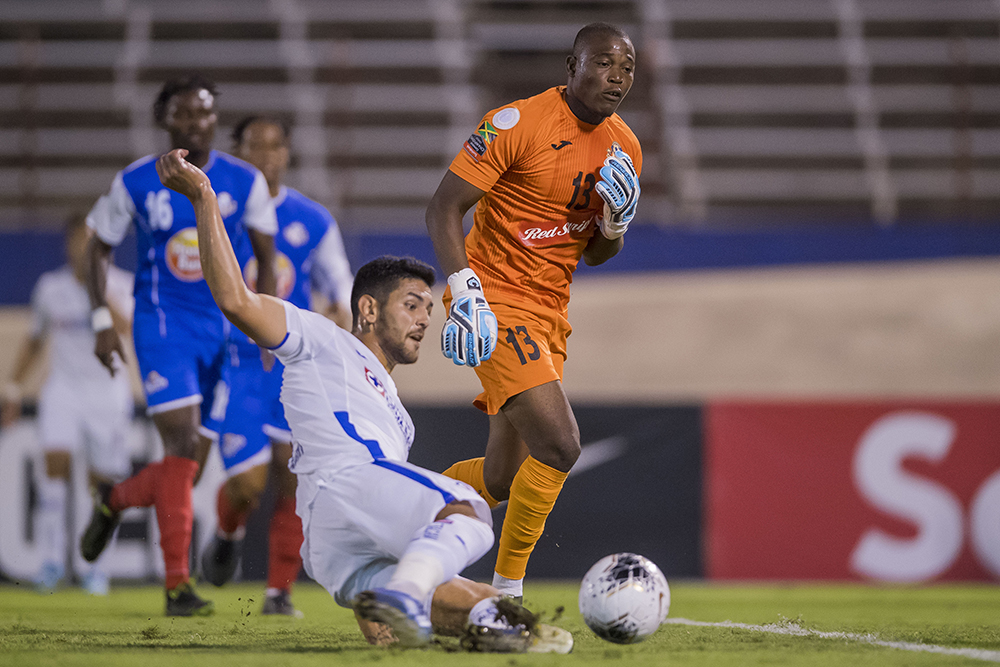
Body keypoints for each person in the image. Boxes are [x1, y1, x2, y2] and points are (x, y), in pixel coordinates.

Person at [154, 147, 572, 653]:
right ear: (368, 309)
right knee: (469, 512)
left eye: (426, 307)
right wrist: (204, 199)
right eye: (411, 304)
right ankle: (410, 592)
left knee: (462, 610)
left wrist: (487, 614)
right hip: (349, 480)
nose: (424, 318)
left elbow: (398, 611)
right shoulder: (321, 337)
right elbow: (236, 299)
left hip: (328, 540)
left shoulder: (398, 419)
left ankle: (483, 619)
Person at [424, 22, 642, 600]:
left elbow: (596, 253)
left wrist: (615, 226)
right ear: (571, 66)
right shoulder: (515, 123)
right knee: (562, 444)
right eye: (603, 62)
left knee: (500, 478)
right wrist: (463, 285)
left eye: (627, 67)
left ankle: (403, 502)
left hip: (550, 312)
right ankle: (508, 592)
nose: (616, 76)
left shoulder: (627, 148)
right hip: (492, 298)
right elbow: (443, 209)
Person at [80, 74, 278, 617]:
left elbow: (265, 256)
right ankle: (176, 586)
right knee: (183, 446)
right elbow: (97, 247)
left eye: (206, 113)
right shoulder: (138, 181)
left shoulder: (245, 181)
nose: (197, 122)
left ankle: (115, 499)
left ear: (216, 118)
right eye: (185, 114)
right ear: (165, 120)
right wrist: (102, 320)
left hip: (224, 332)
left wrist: (265, 324)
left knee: (188, 461)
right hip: (162, 328)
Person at [199, 116, 354, 617]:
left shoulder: (311, 219)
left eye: (274, 146)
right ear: (236, 153)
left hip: (294, 364)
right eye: (253, 146)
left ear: (287, 153)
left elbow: (340, 282)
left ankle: (278, 591)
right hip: (238, 365)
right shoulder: (215, 211)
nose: (265, 155)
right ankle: (227, 529)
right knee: (248, 484)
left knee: (294, 478)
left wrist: (344, 318)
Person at [0, 213, 134, 596]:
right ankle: (50, 562)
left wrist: (97, 285)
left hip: (107, 391)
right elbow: (34, 341)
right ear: (68, 244)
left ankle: (96, 568)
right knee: (53, 467)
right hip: (64, 389)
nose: (83, 248)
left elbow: (126, 329)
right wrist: (13, 389)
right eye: (78, 241)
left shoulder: (121, 284)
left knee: (102, 483)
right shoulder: (50, 288)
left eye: (91, 241)